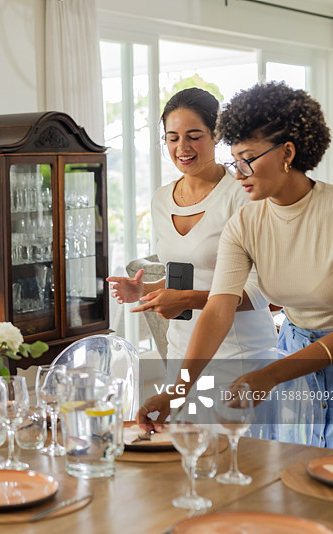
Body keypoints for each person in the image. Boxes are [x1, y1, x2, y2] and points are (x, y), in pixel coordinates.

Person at [137, 82, 333, 452]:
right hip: (292, 352)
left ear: (287, 152)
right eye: (235, 161)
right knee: (292, 469)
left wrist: (270, 375)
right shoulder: (245, 223)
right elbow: (218, 309)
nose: (238, 173)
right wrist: (177, 392)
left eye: (248, 159)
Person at [108, 87, 277, 385]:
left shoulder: (243, 195)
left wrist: (186, 299)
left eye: (194, 136)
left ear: (216, 135)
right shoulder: (162, 200)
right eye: (173, 138)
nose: (182, 147)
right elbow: (190, 273)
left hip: (240, 355)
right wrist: (147, 289)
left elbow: (263, 289)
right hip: (182, 353)